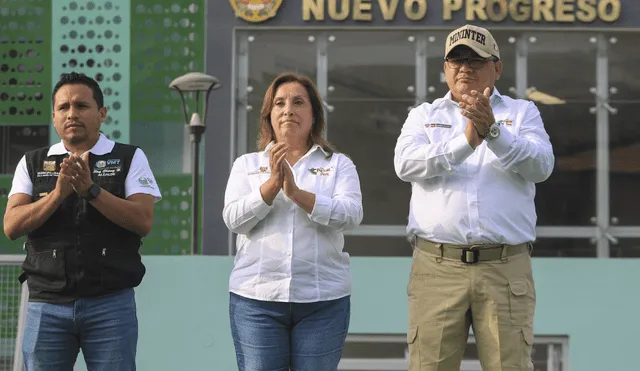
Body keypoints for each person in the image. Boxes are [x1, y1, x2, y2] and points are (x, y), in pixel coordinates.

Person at [394, 24, 555, 371]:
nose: (465, 67)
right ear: (445, 69)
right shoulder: (424, 116)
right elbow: (405, 164)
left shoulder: (523, 112)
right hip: (436, 266)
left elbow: (542, 166)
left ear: (496, 68)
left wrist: (493, 132)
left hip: (505, 267)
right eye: (456, 60)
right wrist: (465, 142)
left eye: (476, 60)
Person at [3, 72, 161, 371]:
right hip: (46, 304)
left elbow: (143, 221)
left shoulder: (129, 157)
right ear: (53, 117)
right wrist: (58, 195)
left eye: (81, 106)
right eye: (63, 107)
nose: (72, 114)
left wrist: (91, 191)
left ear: (101, 114)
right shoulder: (33, 162)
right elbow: (11, 225)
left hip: (110, 304)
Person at [222, 72, 363, 371]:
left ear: (313, 116)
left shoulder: (338, 164)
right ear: (269, 116)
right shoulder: (246, 165)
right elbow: (234, 219)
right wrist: (271, 187)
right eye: (279, 103)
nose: (288, 110)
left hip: (323, 301)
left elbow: (351, 215)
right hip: (256, 300)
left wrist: (297, 194)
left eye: (298, 102)